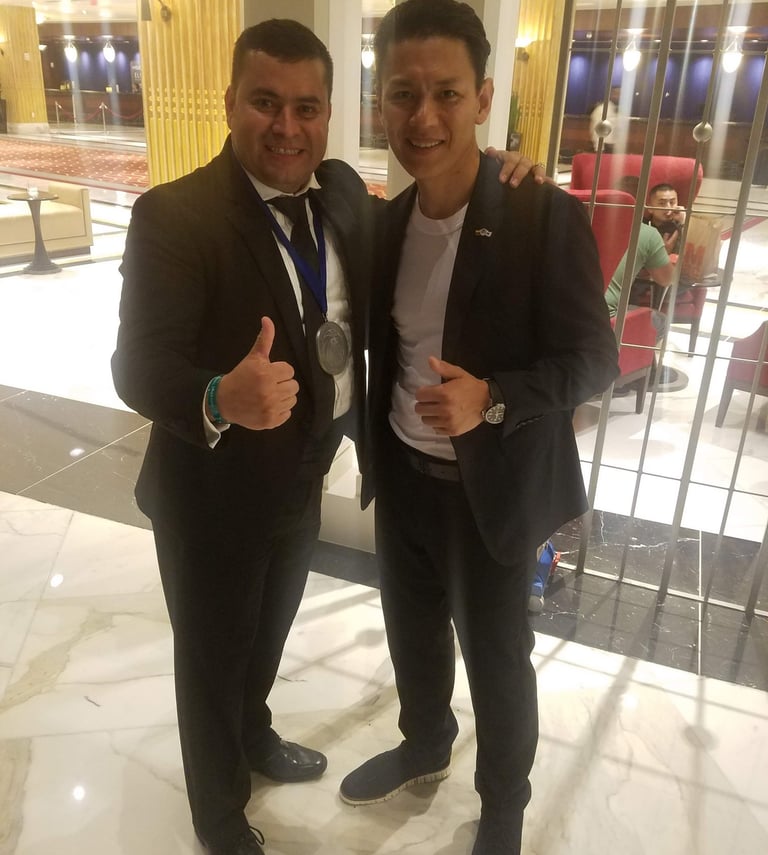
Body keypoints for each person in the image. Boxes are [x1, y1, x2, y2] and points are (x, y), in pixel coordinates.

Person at [112, 19, 541, 855]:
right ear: (229, 101)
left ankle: (255, 732)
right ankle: (218, 815)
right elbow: (135, 365)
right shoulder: (175, 215)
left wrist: (501, 173)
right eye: (265, 103)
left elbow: (432, 219)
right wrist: (216, 393)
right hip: (212, 493)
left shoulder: (342, 193)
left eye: (306, 107)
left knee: (267, 631)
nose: (287, 126)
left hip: (306, 471)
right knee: (212, 656)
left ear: (330, 113)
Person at [339, 3, 620, 854]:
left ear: (484, 98)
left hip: (490, 493)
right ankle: (425, 742)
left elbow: (594, 361)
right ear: (382, 101)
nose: (423, 116)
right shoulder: (388, 223)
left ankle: (504, 803)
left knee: (497, 660)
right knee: (412, 634)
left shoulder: (543, 218)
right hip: (404, 479)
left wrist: (491, 396)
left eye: (447, 93)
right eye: (403, 93)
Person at [644, 182, 686, 255]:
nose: (668, 208)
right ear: (650, 208)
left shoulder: (680, 226)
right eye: (662, 203)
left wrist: (684, 222)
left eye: (672, 202)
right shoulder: (642, 227)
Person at [589, 85, 629, 153]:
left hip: (616, 148)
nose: (619, 96)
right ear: (610, 95)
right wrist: (599, 150)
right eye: (616, 93)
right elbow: (596, 132)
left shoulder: (621, 111)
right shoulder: (601, 109)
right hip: (604, 148)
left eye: (621, 94)